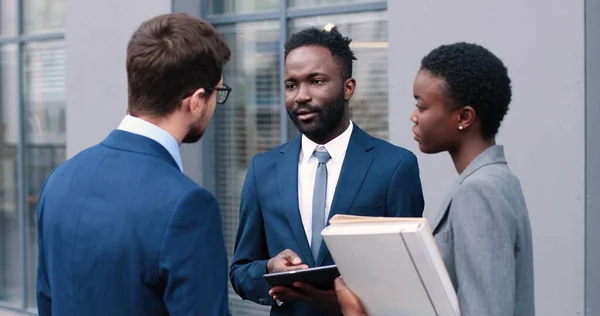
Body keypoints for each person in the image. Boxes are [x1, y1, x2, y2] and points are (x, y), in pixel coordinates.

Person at [36, 13, 232, 316]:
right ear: (195, 101)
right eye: (217, 93)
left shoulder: (59, 180)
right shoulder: (188, 205)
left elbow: (47, 301)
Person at [229, 26, 425, 316]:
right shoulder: (263, 170)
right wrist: (270, 268)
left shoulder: (395, 167)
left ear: (348, 87)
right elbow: (241, 271)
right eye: (291, 85)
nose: (301, 96)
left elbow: (409, 279)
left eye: (316, 81)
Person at [333, 42, 535, 316]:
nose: (413, 116)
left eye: (422, 106)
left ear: (464, 116)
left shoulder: (480, 190)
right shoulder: (498, 180)